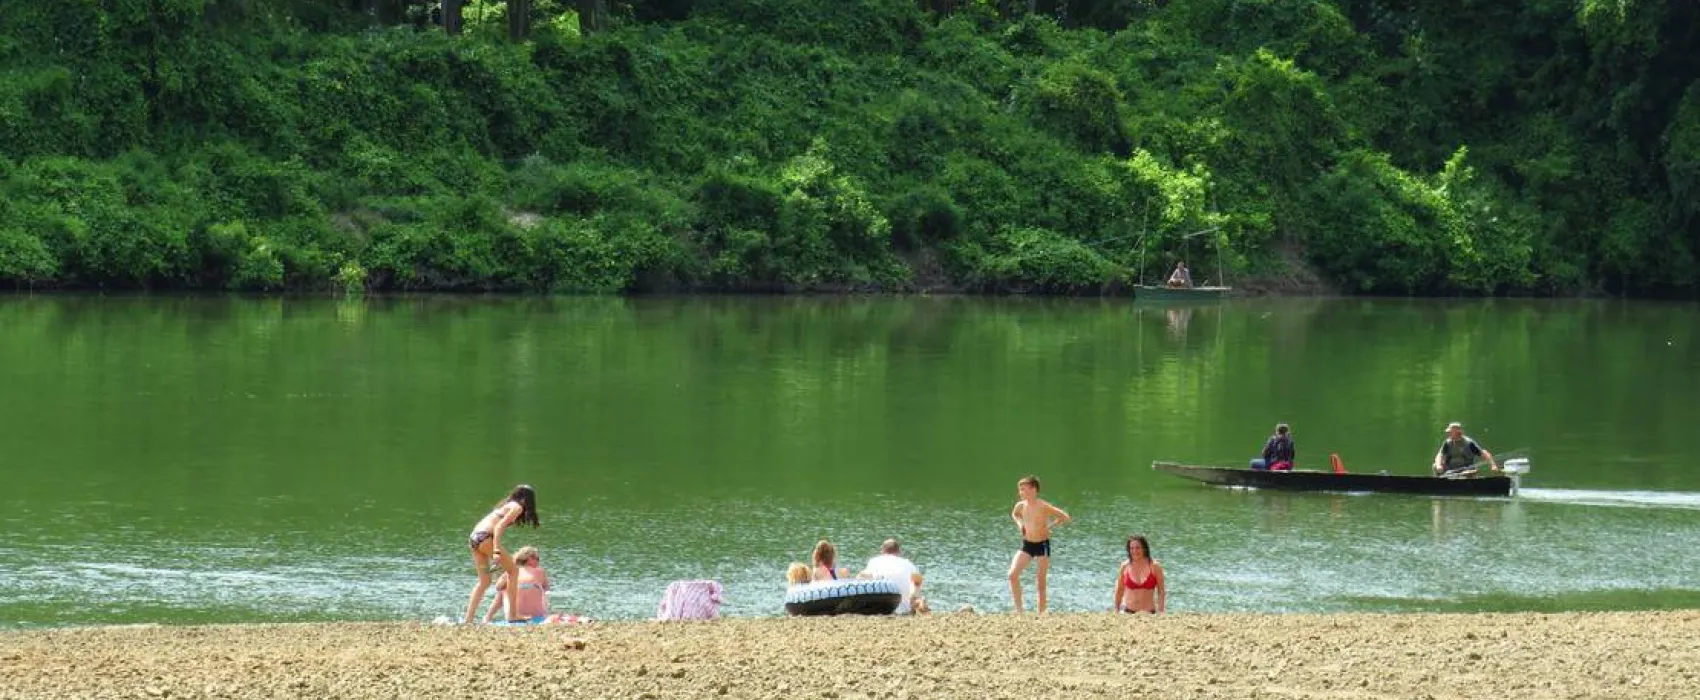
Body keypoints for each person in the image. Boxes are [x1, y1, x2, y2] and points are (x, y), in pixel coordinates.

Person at [463, 484, 540, 624]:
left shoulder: (508, 505)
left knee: (484, 581)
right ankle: (512, 614)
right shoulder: (517, 507)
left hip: (474, 538)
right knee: (513, 571)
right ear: (526, 499)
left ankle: (468, 620)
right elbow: (498, 527)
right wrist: (496, 550)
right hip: (486, 537)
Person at [1008, 475, 1071, 614]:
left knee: (1040, 582)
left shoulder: (1043, 505)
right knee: (1012, 575)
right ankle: (1019, 611)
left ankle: (1041, 614)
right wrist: (1020, 524)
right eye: (1020, 490)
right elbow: (1015, 514)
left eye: (1023, 489)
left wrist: (1050, 526)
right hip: (1027, 544)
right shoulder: (1021, 505)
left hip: (1043, 545)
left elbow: (1065, 517)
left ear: (1033, 489)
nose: (1020, 493)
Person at [482, 546, 553, 623]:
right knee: (543, 590)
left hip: (513, 613)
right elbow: (547, 588)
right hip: (538, 614)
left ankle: (487, 617)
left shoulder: (512, 571)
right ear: (529, 559)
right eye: (537, 559)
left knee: (503, 590)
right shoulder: (540, 571)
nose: (538, 562)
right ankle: (546, 614)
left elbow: (498, 587)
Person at [861, 538, 929, 614]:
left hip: (880, 608)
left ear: (882, 551)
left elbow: (862, 577)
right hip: (905, 608)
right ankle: (916, 601)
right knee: (916, 583)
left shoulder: (875, 561)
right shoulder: (909, 564)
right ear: (899, 552)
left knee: (865, 578)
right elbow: (918, 581)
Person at [1112, 535, 1166, 614]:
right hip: (1127, 611)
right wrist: (1116, 609)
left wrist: (1161, 611)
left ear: (1144, 549)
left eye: (1137, 548)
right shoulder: (1125, 566)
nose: (1134, 551)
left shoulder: (1155, 566)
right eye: (1132, 548)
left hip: (1149, 613)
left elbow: (1161, 591)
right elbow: (1119, 589)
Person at [1433, 422, 1498, 477]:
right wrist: (1439, 465)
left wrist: (1493, 465)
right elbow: (1440, 455)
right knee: (1435, 465)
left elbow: (1484, 453)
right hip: (1450, 469)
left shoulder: (1469, 443)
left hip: (1466, 470)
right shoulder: (1447, 443)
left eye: (1450, 432)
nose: (1448, 434)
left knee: (1467, 473)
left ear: (1457, 432)